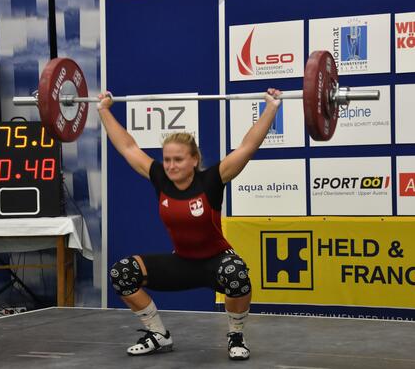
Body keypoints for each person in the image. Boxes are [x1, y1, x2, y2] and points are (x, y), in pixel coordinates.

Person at [98, 88, 282, 361]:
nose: (171, 166)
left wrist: (271, 108)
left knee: (237, 274)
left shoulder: (211, 181)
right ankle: (159, 334)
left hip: (216, 262)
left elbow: (247, 147)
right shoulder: (159, 178)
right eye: (167, 159)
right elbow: (128, 147)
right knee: (122, 273)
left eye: (178, 159)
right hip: (182, 262)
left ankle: (236, 335)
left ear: (194, 160)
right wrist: (104, 110)